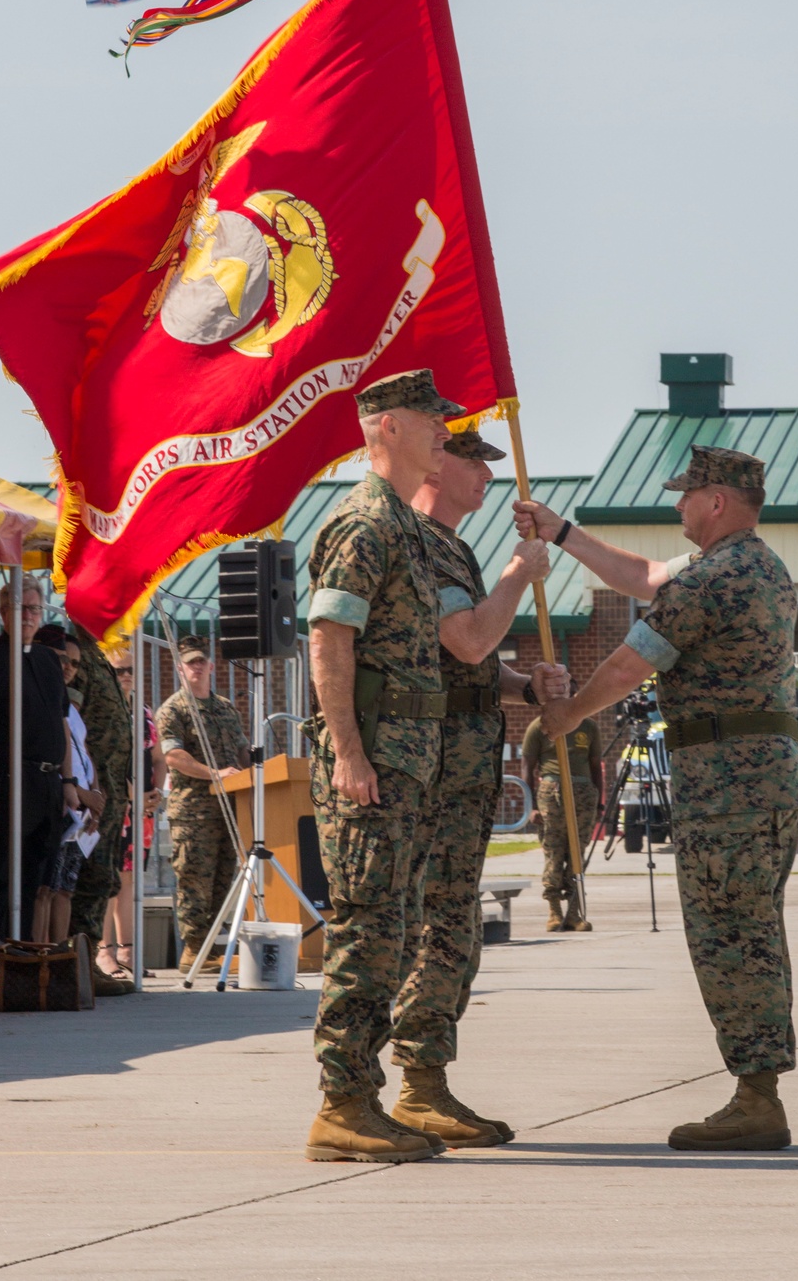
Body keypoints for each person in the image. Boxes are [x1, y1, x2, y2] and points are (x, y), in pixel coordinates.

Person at [515, 444, 798, 1152]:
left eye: (686, 494)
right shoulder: (760, 566)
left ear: (717, 501)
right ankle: (756, 1085)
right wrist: (561, 532)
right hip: (763, 772)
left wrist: (569, 714)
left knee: (730, 935)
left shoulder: (711, 579)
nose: (676, 504)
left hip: (727, 779)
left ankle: (757, 1095)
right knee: (753, 927)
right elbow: (647, 577)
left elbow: (626, 664)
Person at [387, 428, 564, 1148]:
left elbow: (474, 666)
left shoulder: (452, 545)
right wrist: (520, 573)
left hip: (462, 771)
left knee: (456, 928)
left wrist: (526, 683)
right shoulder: (423, 544)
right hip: (433, 774)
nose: (488, 475)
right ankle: (413, 1085)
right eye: (475, 461)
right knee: (438, 928)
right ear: (438, 463)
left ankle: (426, 1083)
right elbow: (465, 640)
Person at [304, 368, 463, 1166]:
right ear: (389, 425)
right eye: (433, 418)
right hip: (373, 763)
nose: (445, 430)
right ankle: (342, 1104)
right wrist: (350, 753)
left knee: (390, 930)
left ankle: (364, 1097)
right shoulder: (365, 522)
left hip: (407, 762)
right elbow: (328, 638)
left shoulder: (403, 523)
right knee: (366, 932)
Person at [0, 579, 78, 941]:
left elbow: (62, 724)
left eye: (34, 609)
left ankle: (26, 962)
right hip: (9, 781)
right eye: (20, 608)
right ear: (3, 612)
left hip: (47, 784)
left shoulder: (48, 660)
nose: (28, 616)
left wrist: (69, 782)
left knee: (37, 879)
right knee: (2, 878)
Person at [155, 636, 249, 976]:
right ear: (180, 669)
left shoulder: (225, 708)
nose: (196, 667)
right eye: (190, 663)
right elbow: (173, 756)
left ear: (211, 667)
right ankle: (194, 949)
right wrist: (215, 774)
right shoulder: (173, 710)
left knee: (224, 876)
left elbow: (240, 750)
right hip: (193, 811)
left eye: (201, 662)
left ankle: (210, 946)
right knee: (195, 878)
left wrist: (253, 771)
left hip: (229, 808)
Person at [67, 624, 135, 996]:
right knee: (90, 878)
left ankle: (86, 961)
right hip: (92, 790)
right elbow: (73, 723)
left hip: (109, 791)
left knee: (103, 876)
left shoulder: (99, 659)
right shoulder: (80, 658)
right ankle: (78, 964)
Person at [30, 625, 106, 944]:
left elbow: (84, 752)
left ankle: (60, 957)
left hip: (82, 811)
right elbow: (58, 755)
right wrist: (81, 793)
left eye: (74, 663)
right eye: (63, 659)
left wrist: (96, 796)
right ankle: (40, 956)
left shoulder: (72, 708)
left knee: (65, 890)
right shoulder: (45, 699)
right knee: (45, 889)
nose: (68, 668)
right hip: (64, 802)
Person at [99, 649, 165, 979]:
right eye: (119, 670)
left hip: (143, 810)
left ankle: (127, 951)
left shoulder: (143, 713)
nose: (125, 675)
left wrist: (157, 792)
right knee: (110, 879)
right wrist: (128, 794)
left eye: (130, 670)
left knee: (129, 879)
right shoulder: (104, 711)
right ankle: (104, 952)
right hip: (115, 807)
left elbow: (158, 758)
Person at [522, 681, 602, 932]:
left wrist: (598, 801)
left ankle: (574, 913)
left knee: (578, 853)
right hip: (551, 793)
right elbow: (527, 766)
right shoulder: (539, 727)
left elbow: (595, 765)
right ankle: (554, 910)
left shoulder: (588, 726)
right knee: (554, 851)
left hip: (582, 793)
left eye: (567, 694)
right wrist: (531, 806)